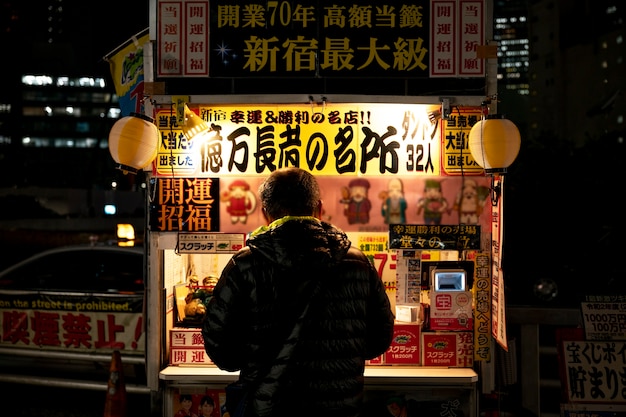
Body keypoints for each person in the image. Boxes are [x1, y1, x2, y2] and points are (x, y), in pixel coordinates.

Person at [202, 167, 395, 417]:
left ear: (265, 214)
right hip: (339, 407)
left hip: (268, 406)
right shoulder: (357, 263)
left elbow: (221, 349)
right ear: (319, 208)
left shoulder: (245, 265)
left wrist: (256, 357)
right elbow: (379, 339)